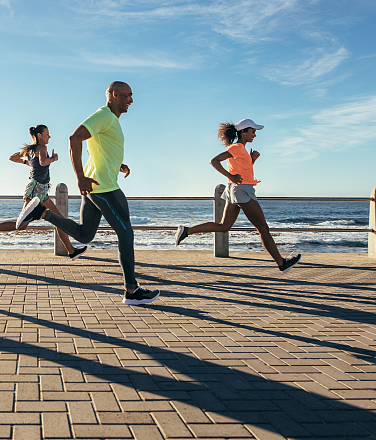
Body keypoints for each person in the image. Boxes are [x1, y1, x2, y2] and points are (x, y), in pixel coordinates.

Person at [16, 81, 160, 305]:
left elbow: (101, 149)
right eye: (128, 95)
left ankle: (41, 214)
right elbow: (74, 139)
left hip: (97, 185)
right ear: (114, 94)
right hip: (104, 187)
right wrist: (80, 176)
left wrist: (117, 164)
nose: (131, 100)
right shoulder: (103, 115)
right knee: (126, 233)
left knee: (84, 235)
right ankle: (131, 291)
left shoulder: (110, 120)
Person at [174, 119, 301, 272]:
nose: (254, 135)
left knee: (224, 226)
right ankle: (282, 263)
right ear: (243, 132)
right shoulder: (237, 147)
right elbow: (214, 161)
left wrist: (252, 161)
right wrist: (230, 176)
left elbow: (242, 172)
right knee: (263, 228)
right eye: (252, 131)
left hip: (236, 189)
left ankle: (187, 230)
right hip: (242, 191)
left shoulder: (241, 150)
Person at [0, 125, 87, 260]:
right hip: (36, 190)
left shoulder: (31, 150)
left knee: (59, 221)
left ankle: (71, 251)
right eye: (47, 134)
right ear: (39, 135)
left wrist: (29, 162)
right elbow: (43, 161)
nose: (49, 137)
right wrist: (53, 159)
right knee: (21, 225)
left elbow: (12, 157)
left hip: (41, 190)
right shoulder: (42, 148)